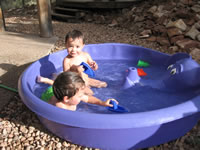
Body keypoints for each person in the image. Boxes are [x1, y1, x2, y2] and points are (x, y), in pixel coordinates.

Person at [49, 71, 118, 111]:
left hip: (60, 92)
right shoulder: (60, 107)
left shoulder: (74, 96)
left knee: (89, 93)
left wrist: (102, 103)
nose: (82, 96)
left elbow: (88, 99)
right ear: (66, 99)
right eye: (80, 96)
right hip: (48, 94)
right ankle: (47, 80)